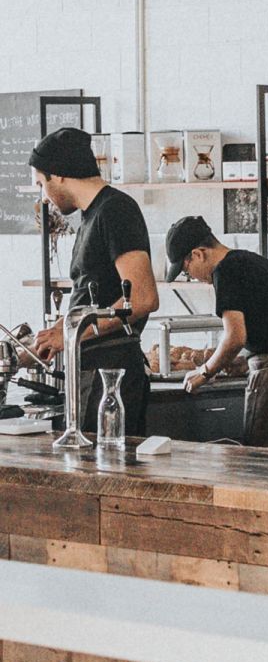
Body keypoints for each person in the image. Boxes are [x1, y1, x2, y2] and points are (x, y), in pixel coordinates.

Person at [29, 127, 159, 434]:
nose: (44, 197)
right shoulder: (92, 216)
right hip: (93, 370)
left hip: (111, 375)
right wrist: (53, 336)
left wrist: (71, 333)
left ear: (58, 174)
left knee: (105, 463)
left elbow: (142, 298)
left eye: (42, 184)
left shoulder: (115, 210)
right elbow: (93, 297)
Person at [164, 215, 268, 448]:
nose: (192, 277)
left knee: (266, 463)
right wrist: (243, 361)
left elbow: (234, 337)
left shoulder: (225, 271)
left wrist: (204, 372)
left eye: (186, 271)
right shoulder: (251, 261)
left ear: (198, 254)